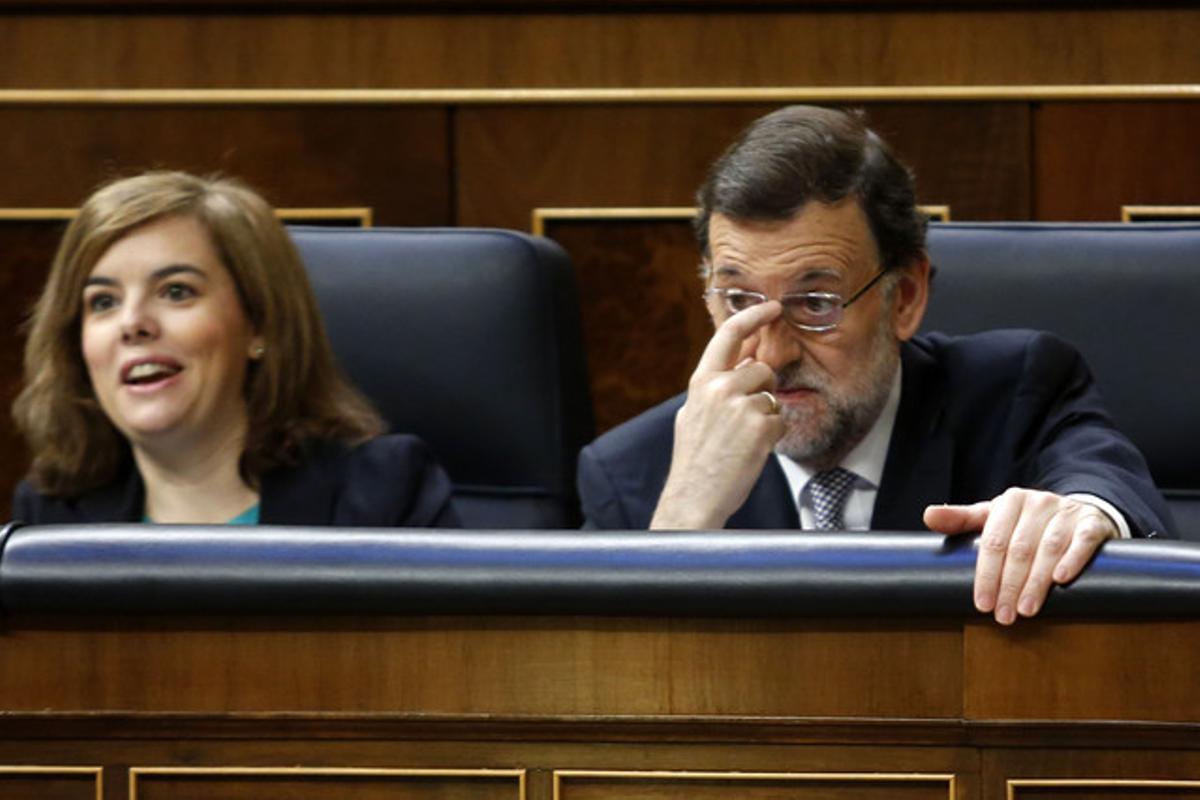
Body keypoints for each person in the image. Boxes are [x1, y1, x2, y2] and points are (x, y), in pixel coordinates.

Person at [577, 105, 1174, 624]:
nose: (775, 353)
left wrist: (1082, 516)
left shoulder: (1016, 393)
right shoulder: (633, 476)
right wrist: (685, 517)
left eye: (815, 303)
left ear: (906, 297)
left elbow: (1115, 494)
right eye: (739, 301)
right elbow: (590, 715)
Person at [12, 170, 457, 527]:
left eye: (176, 291)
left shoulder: (382, 496)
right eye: (103, 302)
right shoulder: (53, 518)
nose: (132, 324)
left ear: (259, 324)